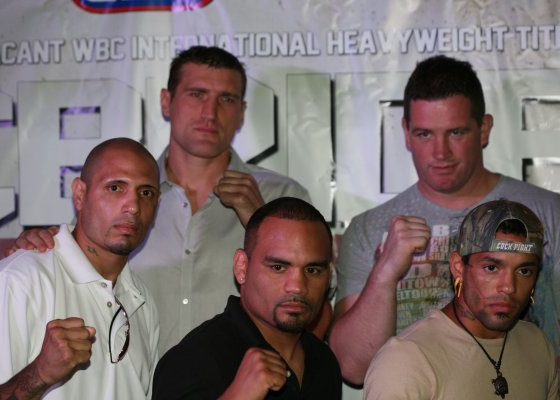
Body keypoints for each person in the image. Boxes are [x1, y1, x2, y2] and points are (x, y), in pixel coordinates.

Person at [8, 46, 318, 355]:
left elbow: (317, 313)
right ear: (166, 102)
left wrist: (262, 223)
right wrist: (43, 247)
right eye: (196, 94)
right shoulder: (117, 198)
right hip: (135, 379)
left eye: (226, 99)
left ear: (241, 112)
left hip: (247, 379)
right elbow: (73, 274)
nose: (210, 113)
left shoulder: (282, 197)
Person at [329, 54, 560, 384]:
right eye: (425, 134)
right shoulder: (371, 228)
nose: (440, 152)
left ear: (484, 129)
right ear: (406, 132)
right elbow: (354, 368)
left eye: (456, 132)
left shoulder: (550, 214)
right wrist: (385, 272)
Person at [0, 138, 161, 399]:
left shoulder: (142, 300)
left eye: (146, 193)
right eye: (114, 187)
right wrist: (39, 374)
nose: (133, 206)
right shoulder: (19, 280)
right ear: (79, 194)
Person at [364, 200, 558, 399]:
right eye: (491, 268)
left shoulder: (538, 345)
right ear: (458, 267)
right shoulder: (407, 360)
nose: (509, 287)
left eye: (524, 271)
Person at [152, 197, 342, 399]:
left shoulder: (323, 361)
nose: (297, 286)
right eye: (278, 267)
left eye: (312, 270)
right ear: (242, 267)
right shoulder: (192, 362)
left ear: (328, 276)